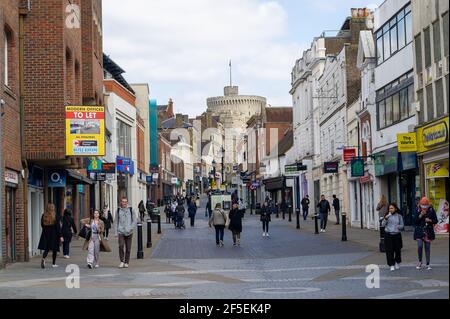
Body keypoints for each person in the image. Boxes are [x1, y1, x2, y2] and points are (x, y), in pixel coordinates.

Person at [414, 197, 438, 270]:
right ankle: (420, 261)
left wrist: (430, 220)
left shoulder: (431, 210)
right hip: (419, 231)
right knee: (420, 246)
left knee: (427, 248)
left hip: (428, 231)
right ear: (420, 204)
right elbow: (415, 221)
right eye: (423, 205)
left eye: (425, 205)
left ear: (428, 204)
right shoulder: (417, 209)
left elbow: (435, 220)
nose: (424, 206)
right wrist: (420, 215)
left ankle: (428, 263)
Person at [38, 204, 63, 269]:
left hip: (45, 233)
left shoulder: (44, 216)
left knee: (47, 248)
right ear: (53, 209)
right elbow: (58, 227)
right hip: (54, 234)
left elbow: (42, 225)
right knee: (54, 249)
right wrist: (60, 236)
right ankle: (54, 263)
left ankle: (43, 258)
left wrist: (46, 229)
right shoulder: (55, 216)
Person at [381, 203, 404, 271]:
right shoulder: (387, 216)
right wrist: (386, 218)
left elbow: (402, 225)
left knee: (397, 250)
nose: (390, 210)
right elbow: (382, 224)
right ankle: (391, 264)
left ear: (395, 209)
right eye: (389, 208)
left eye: (392, 208)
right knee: (389, 251)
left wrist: (399, 226)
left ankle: (397, 262)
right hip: (388, 235)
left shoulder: (399, 216)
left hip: (397, 234)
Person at [116, 197, 137, 269]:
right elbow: (116, 221)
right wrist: (116, 232)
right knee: (121, 246)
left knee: (128, 248)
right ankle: (122, 261)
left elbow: (135, 220)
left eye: (125, 202)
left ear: (127, 202)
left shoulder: (131, 210)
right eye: (123, 201)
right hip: (121, 231)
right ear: (121, 202)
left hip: (129, 232)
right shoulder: (118, 210)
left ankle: (126, 262)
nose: (124, 203)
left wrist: (130, 228)